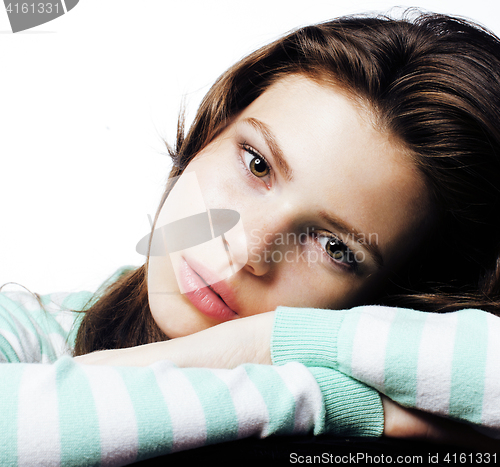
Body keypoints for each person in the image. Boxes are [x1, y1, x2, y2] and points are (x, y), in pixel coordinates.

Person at [1, 10, 500, 465]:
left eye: (334, 248)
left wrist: (267, 341)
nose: (248, 249)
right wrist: (318, 396)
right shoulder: (37, 328)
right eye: (257, 164)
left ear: (392, 303)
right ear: (208, 133)